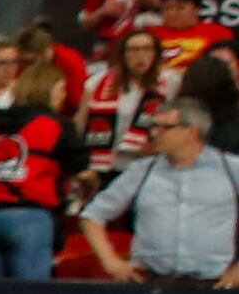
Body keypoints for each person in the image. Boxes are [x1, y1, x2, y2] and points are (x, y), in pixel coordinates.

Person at [82, 92, 239, 283]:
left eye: (165, 127)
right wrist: (111, 262)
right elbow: (93, 216)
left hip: (214, 285)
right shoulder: (142, 170)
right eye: (154, 126)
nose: (154, 133)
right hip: (150, 282)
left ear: (192, 132)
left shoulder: (230, 168)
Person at [0, 52, 76, 278]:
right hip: (27, 216)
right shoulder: (55, 124)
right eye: (61, 89)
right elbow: (78, 165)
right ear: (50, 90)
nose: (64, 96)